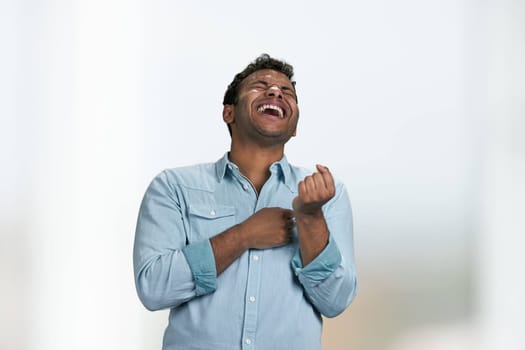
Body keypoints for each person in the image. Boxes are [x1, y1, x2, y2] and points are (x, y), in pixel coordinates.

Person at [133, 54, 358, 350]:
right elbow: (154, 287)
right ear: (229, 113)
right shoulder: (174, 187)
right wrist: (244, 235)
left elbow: (335, 300)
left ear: (294, 127)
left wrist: (310, 218)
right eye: (260, 86)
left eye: (286, 92)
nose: (275, 92)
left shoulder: (327, 194)